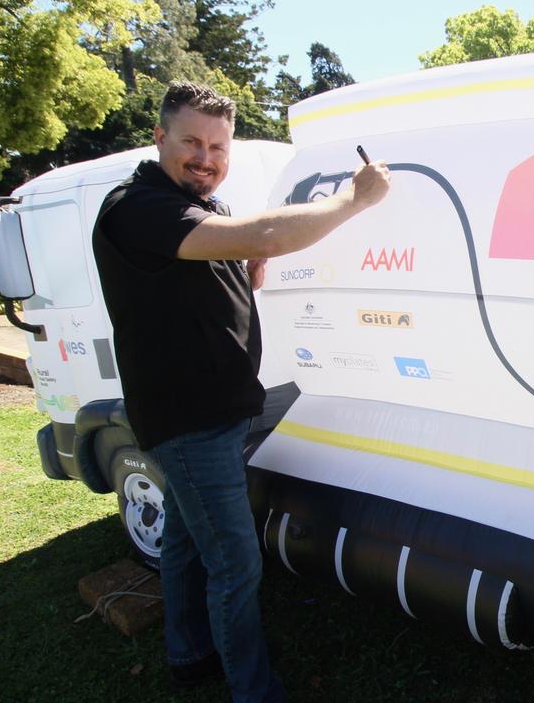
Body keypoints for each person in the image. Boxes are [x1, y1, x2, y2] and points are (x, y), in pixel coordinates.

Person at [91, 81, 391, 702]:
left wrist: (244, 268)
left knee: (182, 538)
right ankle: (254, 691)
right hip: (189, 420)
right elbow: (264, 236)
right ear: (159, 138)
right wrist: (353, 201)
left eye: (218, 147)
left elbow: (231, 258)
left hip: (217, 411)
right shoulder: (137, 206)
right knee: (234, 562)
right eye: (192, 143)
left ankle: (189, 654)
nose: (206, 158)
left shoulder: (203, 209)